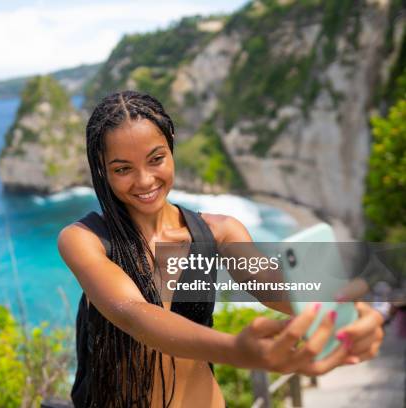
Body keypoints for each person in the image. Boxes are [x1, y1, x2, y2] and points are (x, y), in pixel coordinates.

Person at [57, 91, 385, 408]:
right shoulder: (84, 239)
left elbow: (272, 286)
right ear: (102, 168)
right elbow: (133, 314)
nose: (144, 181)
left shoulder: (219, 232)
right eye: (122, 169)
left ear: (171, 145)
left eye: (156, 159)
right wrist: (238, 351)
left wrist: (345, 310)